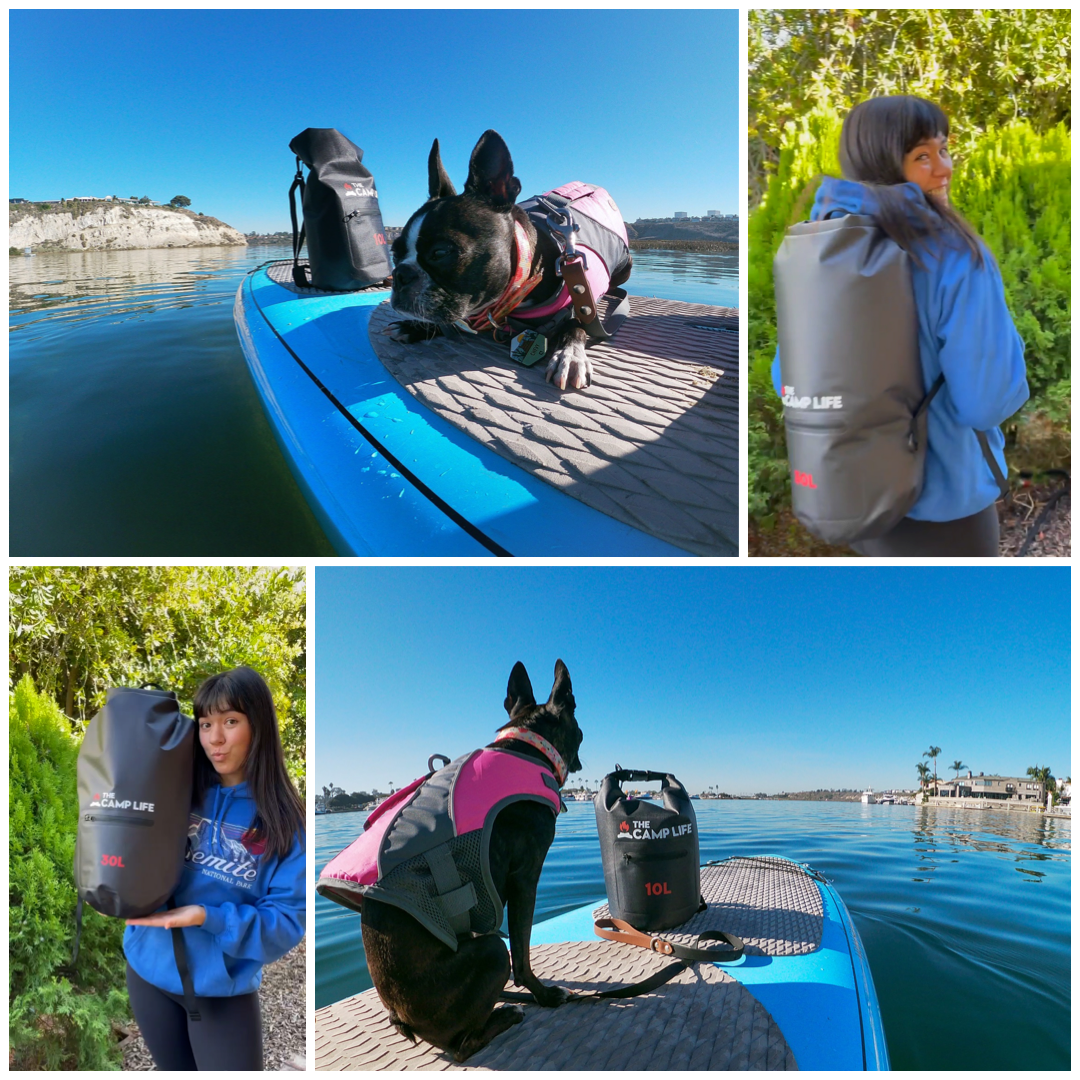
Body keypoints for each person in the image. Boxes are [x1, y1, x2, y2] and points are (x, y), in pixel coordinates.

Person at [772, 95, 1029, 556]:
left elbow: (785, 378)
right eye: (922, 156)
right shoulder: (954, 255)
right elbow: (986, 402)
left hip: (856, 496)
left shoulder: (816, 249)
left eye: (944, 150)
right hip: (947, 508)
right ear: (883, 162)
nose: (944, 169)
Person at [123, 667, 305, 1070]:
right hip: (147, 970)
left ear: (258, 726)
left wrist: (209, 917)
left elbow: (288, 921)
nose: (215, 738)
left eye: (230, 721)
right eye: (205, 724)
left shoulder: (283, 820)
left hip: (221, 992)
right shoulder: (176, 789)